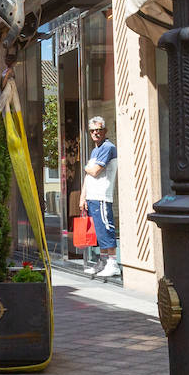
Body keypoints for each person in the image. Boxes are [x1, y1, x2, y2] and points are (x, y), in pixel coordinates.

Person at [81, 115, 119, 278]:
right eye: (93, 130)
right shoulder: (96, 150)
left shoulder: (108, 147)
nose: (96, 133)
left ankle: (113, 263)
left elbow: (95, 171)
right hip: (92, 196)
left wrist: (85, 166)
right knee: (99, 231)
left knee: (106, 228)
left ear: (105, 131)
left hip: (102, 196)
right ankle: (103, 261)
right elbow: (89, 175)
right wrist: (83, 197)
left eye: (99, 130)